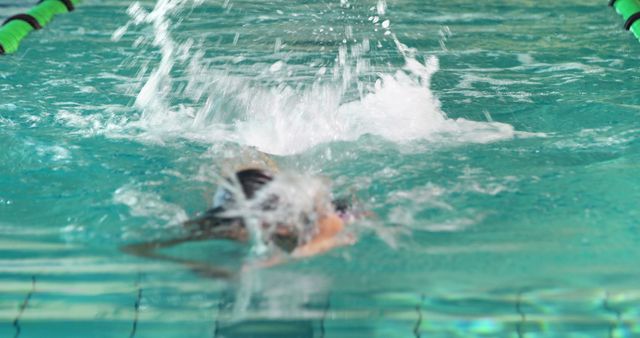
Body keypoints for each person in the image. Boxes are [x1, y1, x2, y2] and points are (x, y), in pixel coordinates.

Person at [122, 168, 356, 277]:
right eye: (237, 227)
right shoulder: (217, 224)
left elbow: (336, 236)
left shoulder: (293, 221)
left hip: (281, 194)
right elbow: (138, 248)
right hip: (245, 188)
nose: (239, 233)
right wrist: (195, 265)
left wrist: (272, 262)